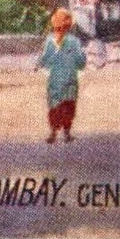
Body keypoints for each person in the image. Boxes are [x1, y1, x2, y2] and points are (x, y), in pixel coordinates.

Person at [36, 8, 87, 143]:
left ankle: (53, 132)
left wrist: (41, 65)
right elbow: (81, 61)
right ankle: (67, 133)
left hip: (55, 79)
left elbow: (44, 59)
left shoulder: (49, 40)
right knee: (69, 105)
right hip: (70, 79)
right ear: (69, 25)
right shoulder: (74, 41)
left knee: (54, 105)